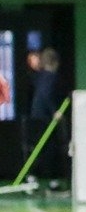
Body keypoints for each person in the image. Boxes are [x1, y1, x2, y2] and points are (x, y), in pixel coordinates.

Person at [24, 48, 68, 191]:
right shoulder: (50, 77)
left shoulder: (39, 76)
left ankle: (43, 179)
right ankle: (38, 178)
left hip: (37, 116)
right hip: (45, 118)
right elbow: (46, 94)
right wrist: (54, 111)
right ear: (55, 63)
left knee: (43, 148)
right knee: (48, 149)